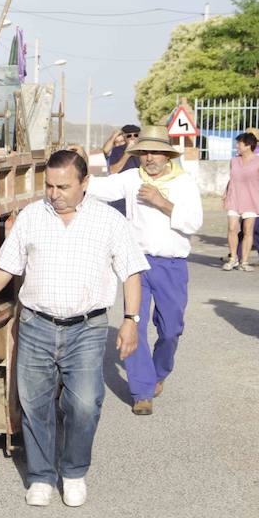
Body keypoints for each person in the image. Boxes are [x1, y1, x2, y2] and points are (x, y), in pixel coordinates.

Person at [0, 150, 147, 508]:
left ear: (84, 183)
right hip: (36, 324)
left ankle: (74, 472)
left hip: (87, 328)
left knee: (84, 404)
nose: (54, 193)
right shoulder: (32, 217)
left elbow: (130, 273)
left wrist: (131, 321)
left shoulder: (109, 221)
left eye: (63, 186)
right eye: (49, 186)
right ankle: (40, 477)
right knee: (35, 404)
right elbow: (7, 265)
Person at [74, 125, 203, 416]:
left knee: (170, 330)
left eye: (155, 152)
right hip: (137, 264)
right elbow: (100, 188)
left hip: (172, 264)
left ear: (167, 154)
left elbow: (194, 222)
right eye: (144, 152)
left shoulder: (184, 183)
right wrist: (77, 167)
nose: (149, 158)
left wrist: (162, 202)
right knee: (134, 324)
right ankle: (142, 391)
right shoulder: (132, 178)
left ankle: (159, 371)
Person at [222, 131, 259, 272]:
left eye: (239, 143)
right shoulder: (233, 161)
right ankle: (233, 258)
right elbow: (231, 179)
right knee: (232, 228)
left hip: (252, 200)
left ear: (247, 145)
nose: (237, 146)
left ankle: (244, 261)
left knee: (248, 230)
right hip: (234, 197)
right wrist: (225, 193)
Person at [101, 125, 141, 215]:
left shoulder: (144, 151)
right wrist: (127, 154)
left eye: (136, 135)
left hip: (138, 195)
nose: (132, 138)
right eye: (129, 136)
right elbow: (113, 170)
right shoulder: (117, 150)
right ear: (125, 137)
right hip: (121, 197)